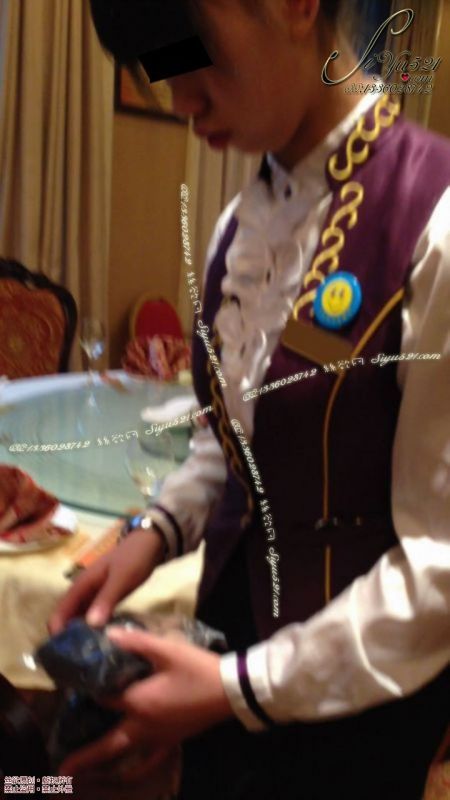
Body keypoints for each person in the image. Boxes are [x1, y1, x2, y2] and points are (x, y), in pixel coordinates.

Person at [49, 1, 450, 797]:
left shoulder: (433, 222)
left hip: (358, 703)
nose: (179, 99)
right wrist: (151, 534)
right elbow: (228, 441)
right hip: (223, 646)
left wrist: (239, 688)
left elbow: (440, 561)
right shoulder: (242, 226)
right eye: (158, 69)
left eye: (190, 53)